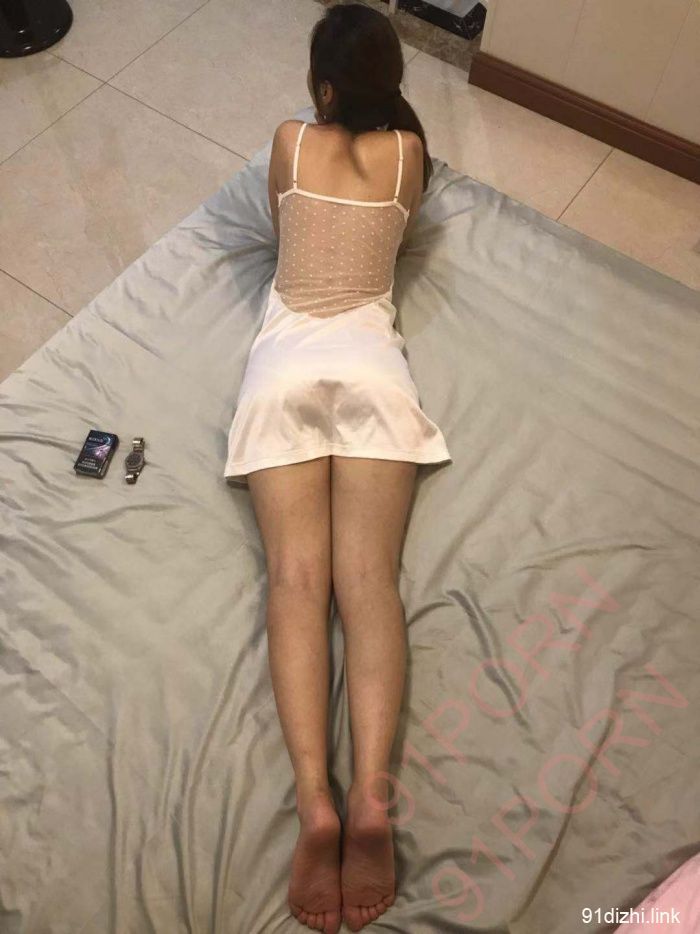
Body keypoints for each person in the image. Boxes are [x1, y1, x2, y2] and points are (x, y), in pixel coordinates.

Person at [223, 4, 451, 932]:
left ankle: (317, 801)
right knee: (368, 582)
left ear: (322, 86)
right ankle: (371, 797)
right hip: (371, 371)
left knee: (295, 580)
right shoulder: (409, 156)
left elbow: (285, 233)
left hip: (283, 369)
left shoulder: (288, 140)